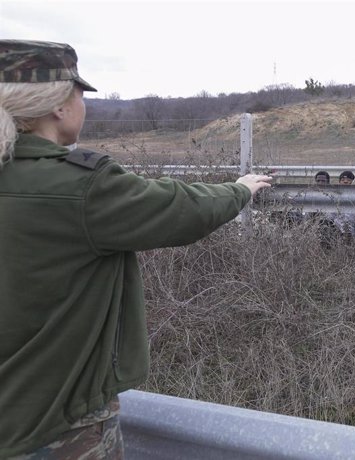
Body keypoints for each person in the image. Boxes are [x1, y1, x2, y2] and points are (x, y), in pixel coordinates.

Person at [0, 40, 273, 458]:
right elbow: (183, 209)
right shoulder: (81, 187)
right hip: (53, 426)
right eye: (80, 93)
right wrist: (239, 190)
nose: (82, 104)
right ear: (58, 105)